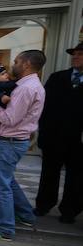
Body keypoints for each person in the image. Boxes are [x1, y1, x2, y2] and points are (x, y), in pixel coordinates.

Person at [0, 50, 46, 241]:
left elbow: (10, 119)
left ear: (26, 64)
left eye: (17, 61)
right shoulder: (28, 85)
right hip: (15, 141)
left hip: (9, 142)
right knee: (7, 180)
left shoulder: (25, 88)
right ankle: (26, 215)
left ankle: (5, 229)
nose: (13, 64)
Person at [35, 42, 83, 224]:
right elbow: (44, 108)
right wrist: (43, 132)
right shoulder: (57, 78)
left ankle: (69, 210)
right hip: (54, 136)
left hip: (78, 139)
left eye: (80, 54)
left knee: (76, 176)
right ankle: (44, 204)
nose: (76, 57)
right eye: (75, 54)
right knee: (49, 172)